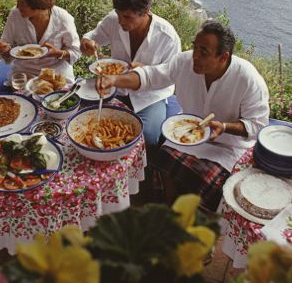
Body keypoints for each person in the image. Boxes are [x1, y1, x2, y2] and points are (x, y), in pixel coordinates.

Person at [98, 20, 269, 210]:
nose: (195, 56)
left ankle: (202, 216)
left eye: (204, 52)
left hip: (227, 148)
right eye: (195, 47)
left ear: (223, 57)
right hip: (186, 134)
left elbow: (258, 124)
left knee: (213, 184)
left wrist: (225, 127)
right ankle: (171, 205)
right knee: (161, 159)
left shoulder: (247, 79)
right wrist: (114, 80)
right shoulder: (184, 61)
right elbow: (151, 76)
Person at [80, 0, 181, 147]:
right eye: (118, 14)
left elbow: (170, 75)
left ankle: (141, 169)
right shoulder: (114, 20)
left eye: (127, 17)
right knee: (90, 123)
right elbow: (93, 36)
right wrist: (87, 42)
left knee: (147, 136)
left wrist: (145, 73)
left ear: (146, 12)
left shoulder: (167, 37)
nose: (120, 21)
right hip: (115, 89)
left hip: (150, 95)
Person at [0, 0, 80, 81]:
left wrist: (58, 53)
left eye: (23, 3)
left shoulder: (63, 19)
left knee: (54, 97)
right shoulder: (15, 15)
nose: (17, 7)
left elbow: (76, 52)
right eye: (17, 1)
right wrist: (4, 50)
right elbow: (8, 50)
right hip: (24, 75)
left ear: (37, 2)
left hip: (56, 76)